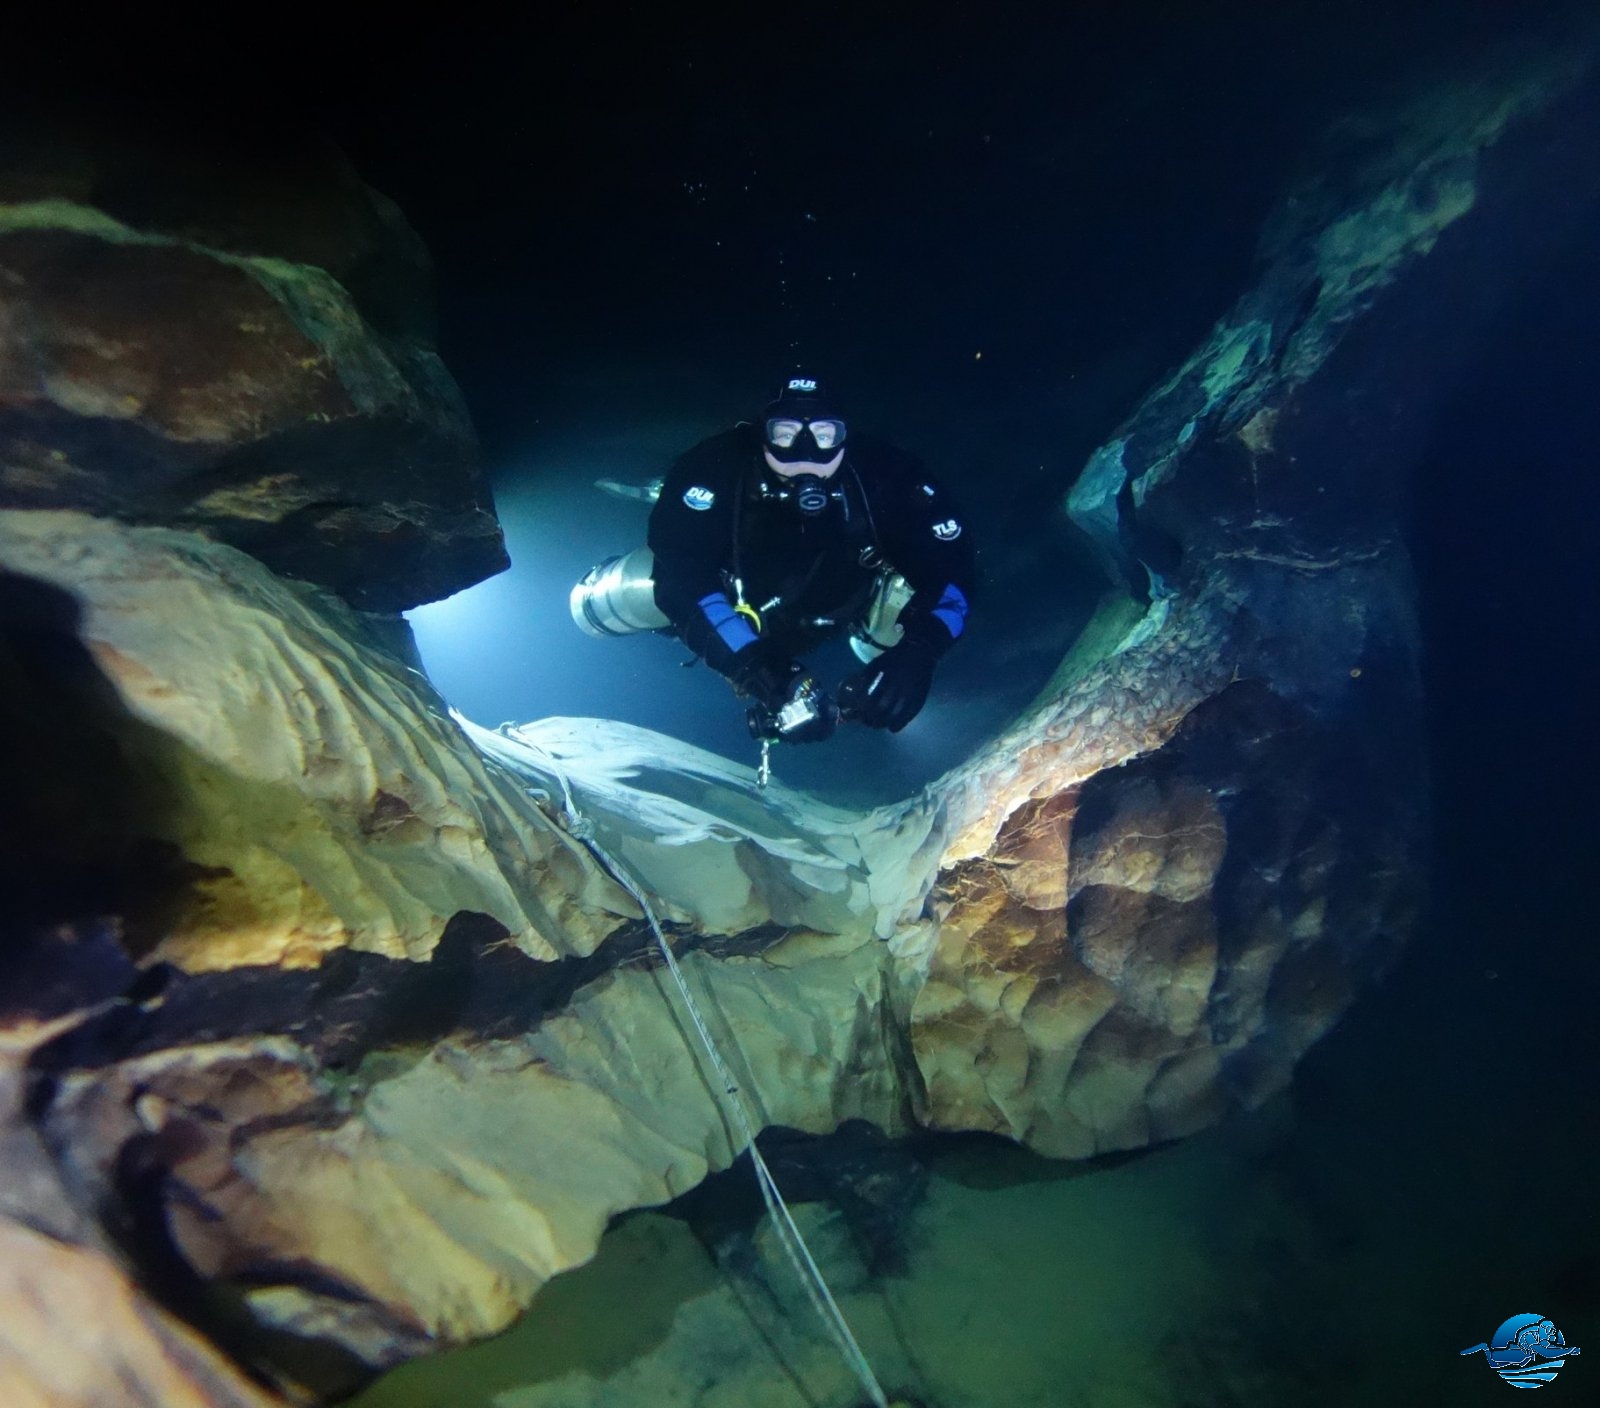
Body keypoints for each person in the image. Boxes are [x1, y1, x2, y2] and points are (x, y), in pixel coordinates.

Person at [570, 376, 974, 744]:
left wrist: (918, 652)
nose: (806, 452)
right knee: (650, 580)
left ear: (844, 437)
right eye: (785, 434)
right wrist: (759, 669)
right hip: (735, 606)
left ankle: (881, 664)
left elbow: (953, 569)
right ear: (762, 435)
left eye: (824, 435)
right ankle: (597, 599)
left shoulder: (888, 475)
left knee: (910, 608)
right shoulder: (713, 467)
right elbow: (682, 579)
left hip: (846, 602)